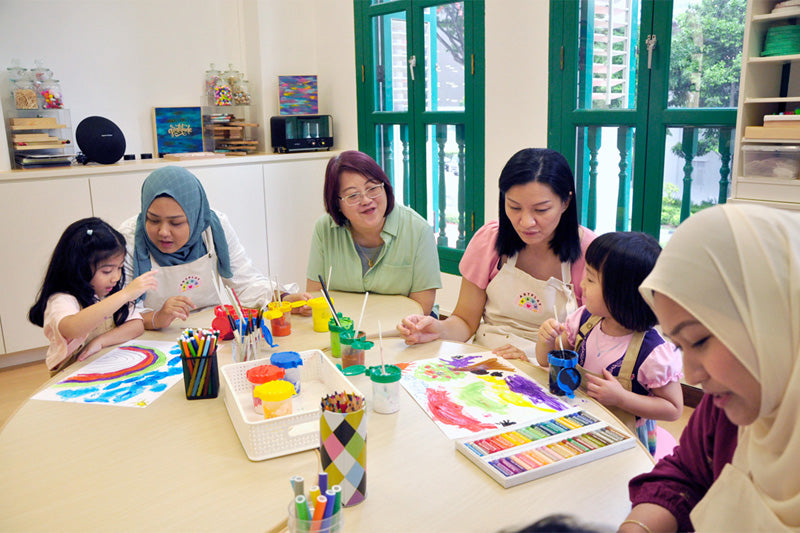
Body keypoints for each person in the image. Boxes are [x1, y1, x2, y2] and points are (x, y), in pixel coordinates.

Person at [621, 204, 800, 532]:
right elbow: (685, 475)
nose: (693, 375)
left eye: (700, 341)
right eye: (679, 346)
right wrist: (639, 526)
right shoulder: (732, 405)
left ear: (774, 320)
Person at [398, 148, 595, 360]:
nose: (526, 222)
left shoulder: (591, 254)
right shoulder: (490, 240)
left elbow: (591, 346)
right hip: (487, 360)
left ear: (566, 202)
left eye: (541, 210)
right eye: (514, 207)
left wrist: (532, 357)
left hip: (549, 369)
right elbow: (465, 321)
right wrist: (437, 328)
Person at [535, 232, 683, 454]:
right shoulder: (583, 321)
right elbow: (545, 361)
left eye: (591, 279)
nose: (582, 284)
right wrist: (545, 340)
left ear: (622, 295)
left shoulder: (653, 353)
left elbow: (673, 409)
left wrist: (623, 399)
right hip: (578, 425)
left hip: (625, 440)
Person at [119, 166, 309, 330]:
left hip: (210, 331)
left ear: (194, 217)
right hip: (153, 338)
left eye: (176, 223)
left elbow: (244, 283)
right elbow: (121, 310)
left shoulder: (213, 227)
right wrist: (157, 318)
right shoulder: (129, 238)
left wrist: (282, 298)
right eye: (153, 220)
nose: (163, 232)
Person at [305, 150, 442, 315]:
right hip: (345, 324)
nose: (366, 200)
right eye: (353, 195)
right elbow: (316, 295)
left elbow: (422, 307)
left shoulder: (419, 231)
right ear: (337, 203)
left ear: (385, 187)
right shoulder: (324, 229)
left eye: (372, 188)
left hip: (406, 327)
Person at [28, 217, 159, 373]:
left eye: (120, 268)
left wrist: (101, 341)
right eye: (107, 271)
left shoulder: (107, 291)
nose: (116, 277)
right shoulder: (62, 300)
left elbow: (136, 325)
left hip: (102, 365)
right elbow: (73, 328)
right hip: (71, 376)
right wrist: (125, 294)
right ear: (79, 267)